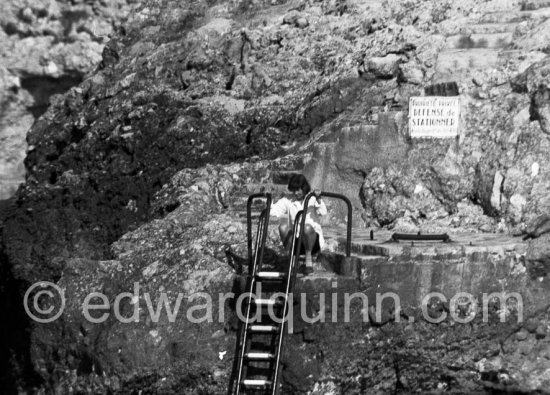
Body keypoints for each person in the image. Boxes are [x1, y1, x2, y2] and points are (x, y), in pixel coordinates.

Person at [270, 174, 327, 275]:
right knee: (283, 227)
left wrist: (318, 199)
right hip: (297, 242)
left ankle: (308, 260)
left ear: (304, 188)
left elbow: (323, 212)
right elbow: (273, 211)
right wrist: (272, 199)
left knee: (306, 227)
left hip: (313, 243)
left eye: (298, 190)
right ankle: (291, 257)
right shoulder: (289, 200)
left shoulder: (312, 198)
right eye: (294, 190)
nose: (296, 193)